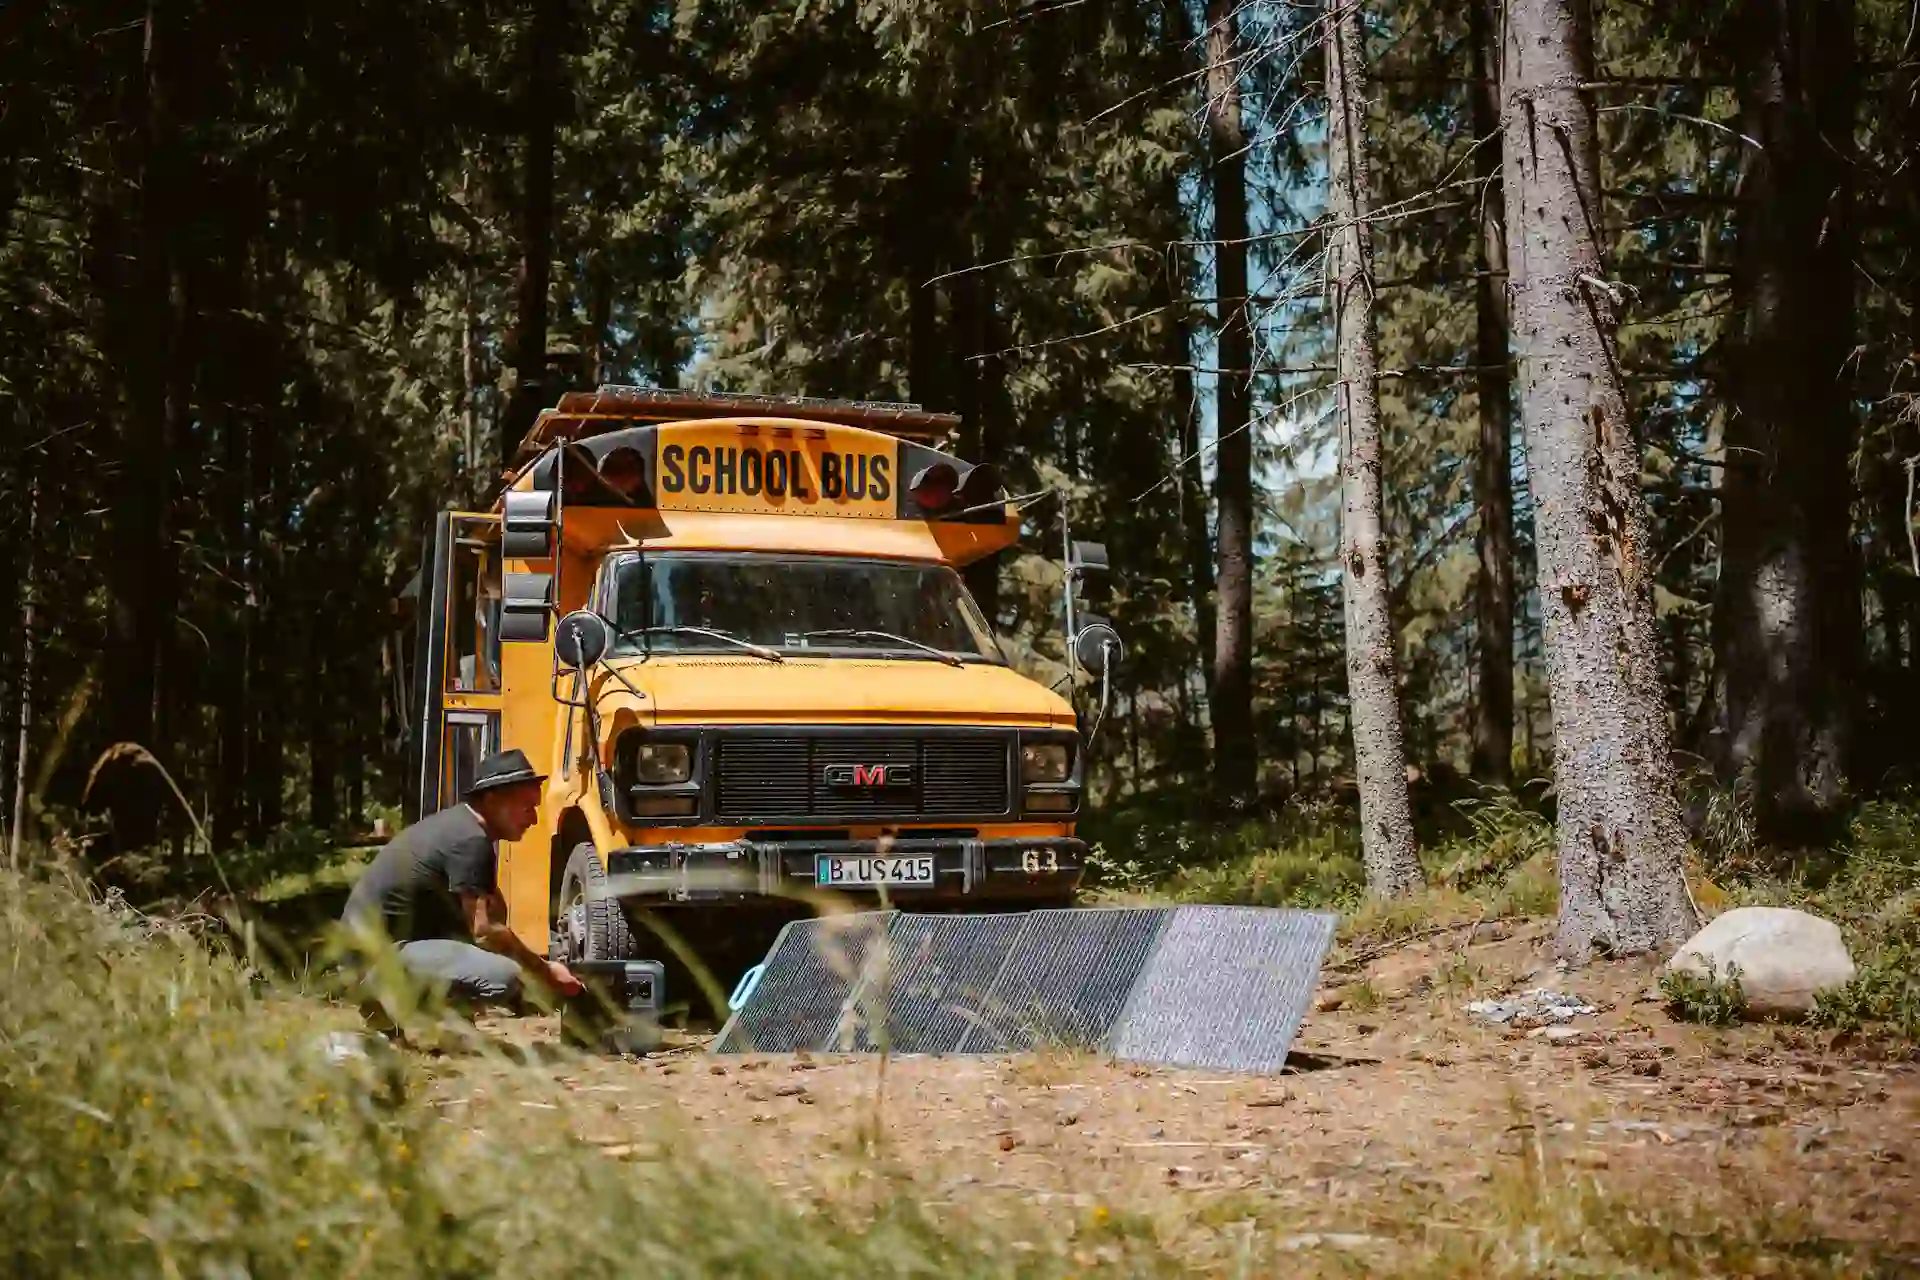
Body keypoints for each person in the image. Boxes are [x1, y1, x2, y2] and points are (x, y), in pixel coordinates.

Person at [342, 747, 582, 1011]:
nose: (534, 819)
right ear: (492, 800)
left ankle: (417, 1014)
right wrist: (545, 971)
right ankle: (407, 1013)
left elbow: (490, 914)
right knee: (504, 976)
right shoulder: (471, 841)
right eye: (527, 808)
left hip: (370, 953)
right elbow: (484, 931)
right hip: (372, 962)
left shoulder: (459, 827)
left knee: (485, 956)